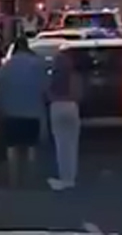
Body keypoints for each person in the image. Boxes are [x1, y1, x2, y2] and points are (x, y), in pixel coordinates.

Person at [0, 35, 49, 188]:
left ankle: (15, 180)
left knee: (13, 149)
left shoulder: (6, 67)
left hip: (11, 113)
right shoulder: (37, 64)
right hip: (33, 113)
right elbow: (45, 89)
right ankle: (30, 179)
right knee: (30, 149)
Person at [46, 48, 85, 190]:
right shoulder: (75, 76)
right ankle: (71, 177)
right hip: (71, 107)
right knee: (72, 144)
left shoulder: (53, 77)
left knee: (61, 145)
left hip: (56, 107)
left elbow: (47, 93)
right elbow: (79, 95)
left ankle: (63, 177)